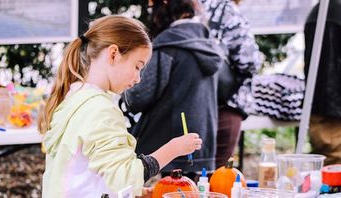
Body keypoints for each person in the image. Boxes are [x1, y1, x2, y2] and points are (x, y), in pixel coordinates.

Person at [37, 15, 202, 198]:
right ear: (113, 54)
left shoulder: (75, 98)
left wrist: (137, 191)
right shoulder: (99, 109)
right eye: (137, 66)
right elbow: (125, 176)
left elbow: (92, 171)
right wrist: (174, 148)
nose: (138, 78)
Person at [122, 0, 223, 176]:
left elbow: (140, 96)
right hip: (202, 145)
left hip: (166, 149)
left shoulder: (168, 44)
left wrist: (124, 94)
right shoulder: (210, 45)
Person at [199, 0, 261, 168]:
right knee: (216, 177)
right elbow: (249, 61)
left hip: (187, 107)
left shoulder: (179, 7)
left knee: (181, 179)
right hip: (223, 105)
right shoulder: (226, 9)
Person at [304, 0, 341, 165]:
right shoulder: (333, 13)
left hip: (324, 108)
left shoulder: (323, 12)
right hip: (331, 112)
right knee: (334, 166)